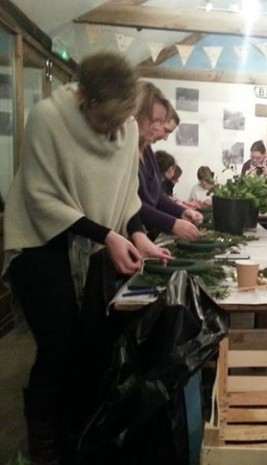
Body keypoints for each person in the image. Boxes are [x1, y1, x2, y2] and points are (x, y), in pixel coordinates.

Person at [2, 52, 171, 464]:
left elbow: (126, 194)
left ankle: (75, 435)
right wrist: (108, 236)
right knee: (57, 345)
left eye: (122, 121)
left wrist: (136, 234)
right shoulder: (47, 118)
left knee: (91, 345)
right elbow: (42, 197)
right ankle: (44, 447)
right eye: (106, 121)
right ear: (85, 99)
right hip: (40, 243)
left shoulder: (126, 126)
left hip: (93, 245)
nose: (115, 130)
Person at [136, 82, 202, 240]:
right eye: (156, 121)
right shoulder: (127, 151)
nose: (163, 136)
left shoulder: (147, 151)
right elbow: (131, 204)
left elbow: (157, 195)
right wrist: (172, 223)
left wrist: (181, 211)